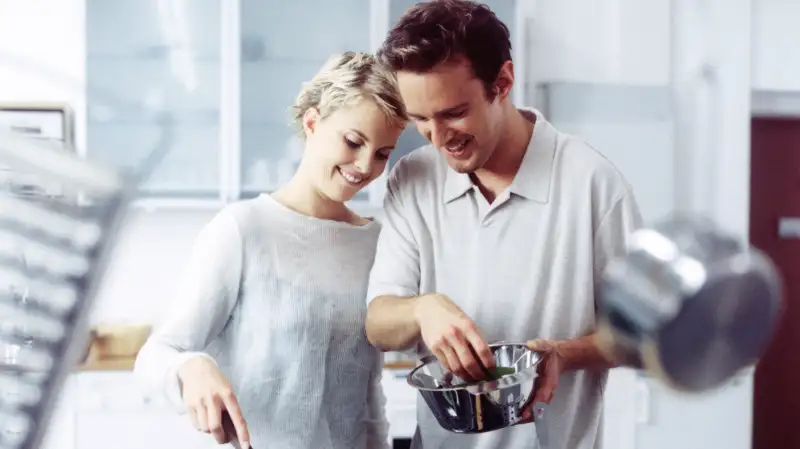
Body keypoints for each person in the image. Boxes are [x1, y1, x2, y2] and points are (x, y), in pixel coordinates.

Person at [364, 1, 643, 448]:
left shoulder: (593, 183)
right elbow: (378, 323)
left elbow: (642, 338)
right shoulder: (412, 180)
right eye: (419, 119)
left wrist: (564, 355)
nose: (438, 139)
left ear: (503, 83)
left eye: (454, 113)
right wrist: (422, 308)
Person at [133, 51, 407, 449]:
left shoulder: (375, 243)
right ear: (312, 122)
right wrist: (191, 366)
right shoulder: (243, 229)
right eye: (353, 141)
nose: (366, 166)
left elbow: (369, 396)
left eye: (383, 152)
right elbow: (156, 354)